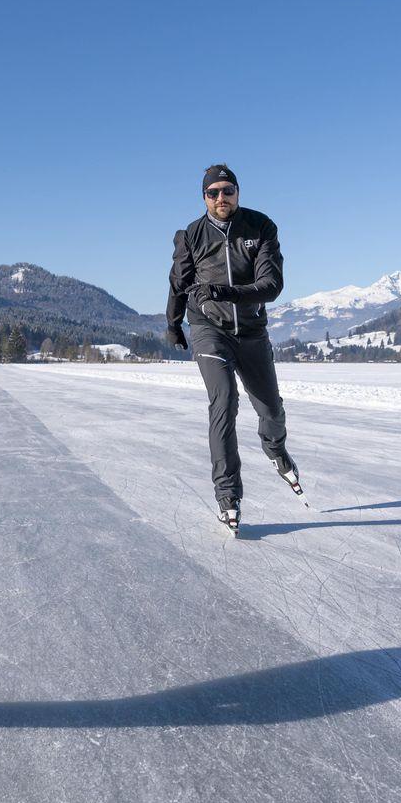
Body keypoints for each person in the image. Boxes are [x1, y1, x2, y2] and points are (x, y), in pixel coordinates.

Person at [166, 164, 298, 535]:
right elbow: (178, 283)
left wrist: (226, 292)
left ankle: (275, 449)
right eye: (213, 193)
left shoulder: (261, 227)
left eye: (228, 190)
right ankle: (228, 495)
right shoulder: (191, 235)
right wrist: (173, 324)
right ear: (204, 197)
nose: (221, 198)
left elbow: (271, 285)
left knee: (271, 409)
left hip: (252, 332)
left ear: (238, 192)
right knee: (224, 400)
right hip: (209, 329)